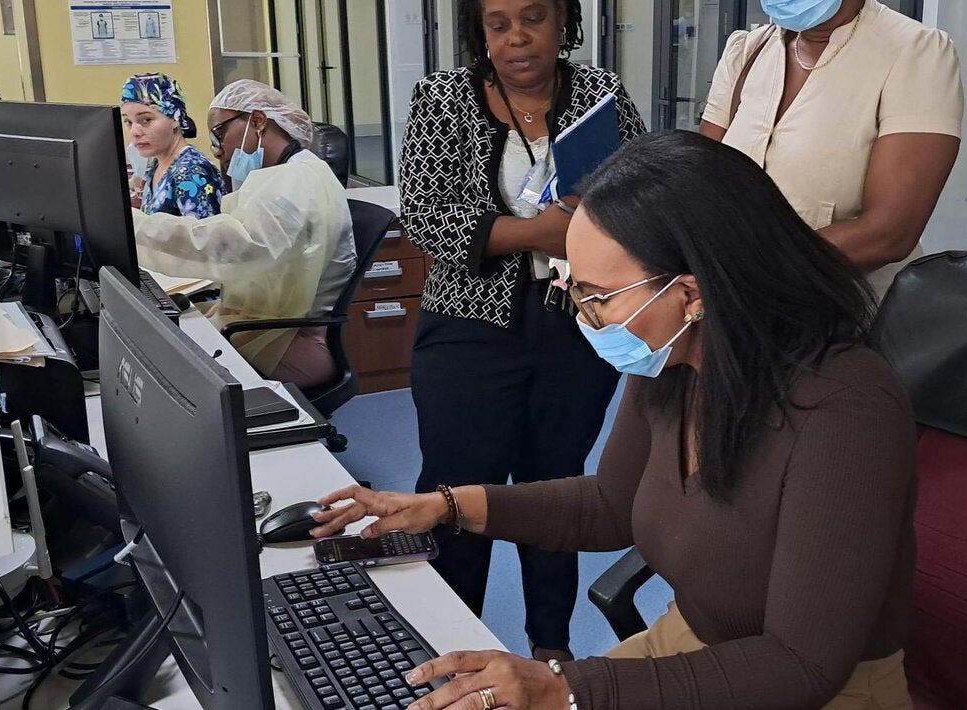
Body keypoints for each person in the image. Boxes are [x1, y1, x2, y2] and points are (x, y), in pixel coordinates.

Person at [310, 131, 917, 709]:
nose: (584, 316)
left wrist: (567, 689)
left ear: (692, 294)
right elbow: (611, 504)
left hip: (809, 691)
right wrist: (447, 505)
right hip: (690, 646)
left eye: (598, 297)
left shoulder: (846, 409)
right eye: (575, 289)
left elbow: (800, 666)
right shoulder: (677, 359)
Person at [397, 0, 647, 663]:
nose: (517, 37)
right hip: (467, 330)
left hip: (575, 327)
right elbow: (425, 215)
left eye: (533, 18)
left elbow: (640, 194)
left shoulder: (600, 93)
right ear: (478, 32)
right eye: (498, 23)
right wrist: (545, 231)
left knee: (555, 490)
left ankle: (551, 652)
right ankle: (450, 649)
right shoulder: (443, 98)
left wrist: (592, 223)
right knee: (455, 492)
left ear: (563, 22)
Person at [700, 0, 962, 297]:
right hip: (731, 303)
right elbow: (701, 184)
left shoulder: (915, 51)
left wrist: (746, 271)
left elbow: (889, 234)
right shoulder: (747, 51)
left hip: (842, 308)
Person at [132, 80, 355, 389]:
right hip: (267, 322)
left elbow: (238, 246)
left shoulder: (297, 181)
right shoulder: (281, 174)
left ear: (258, 121)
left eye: (219, 134)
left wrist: (138, 227)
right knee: (169, 333)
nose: (217, 150)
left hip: (291, 337)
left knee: (172, 369)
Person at [121, 72, 225, 219]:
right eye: (128, 122)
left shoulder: (191, 174)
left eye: (146, 120)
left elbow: (204, 233)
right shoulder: (158, 163)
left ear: (175, 118)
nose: (135, 132)